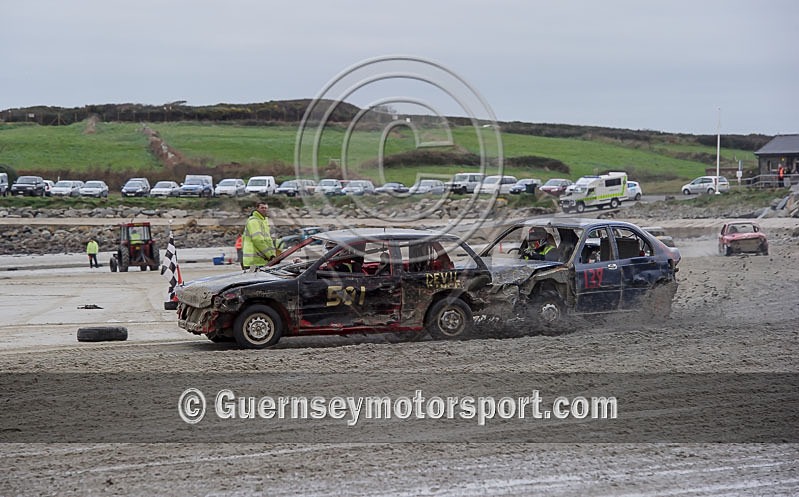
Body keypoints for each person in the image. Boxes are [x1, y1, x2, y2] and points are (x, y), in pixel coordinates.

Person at [242, 202, 276, 269]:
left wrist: (273, 255)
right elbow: (258, 240)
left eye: (266, 208)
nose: (264, 209)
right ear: (257, 209)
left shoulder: (263, 221)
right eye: (262, 208)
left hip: (262, 260)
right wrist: (270, 255)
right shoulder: (253, 221)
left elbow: (268, 241)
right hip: (254, 261)